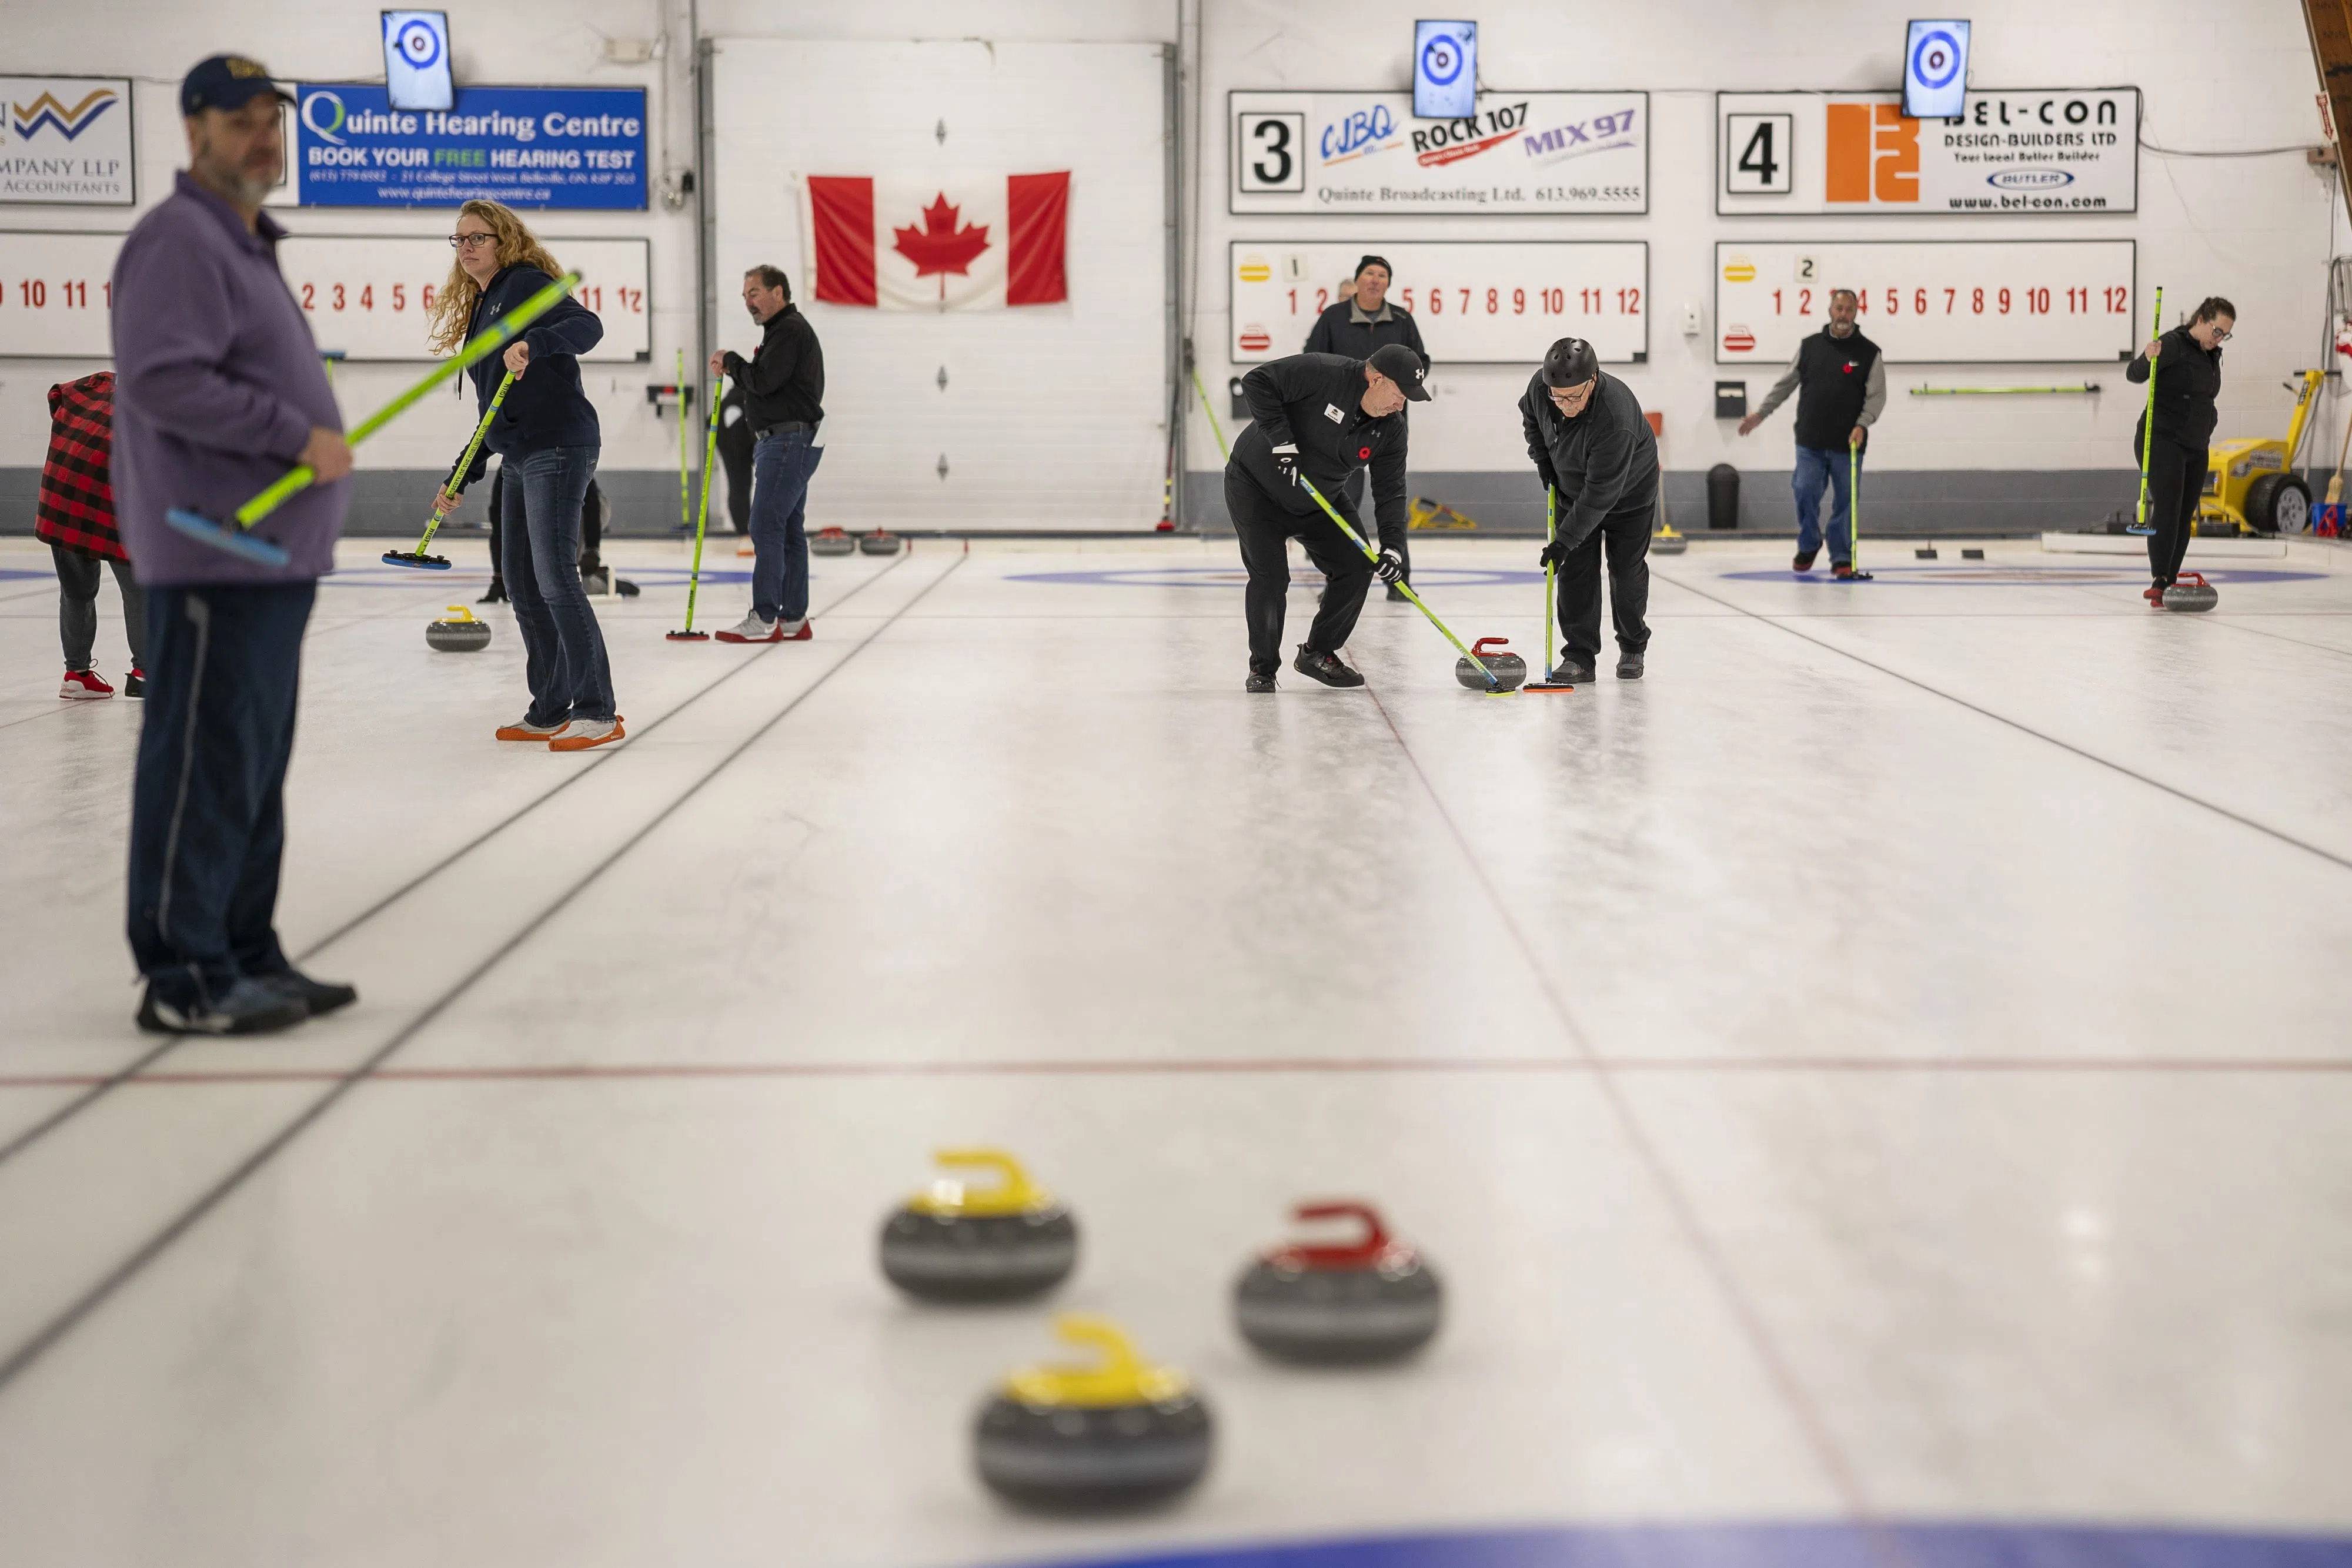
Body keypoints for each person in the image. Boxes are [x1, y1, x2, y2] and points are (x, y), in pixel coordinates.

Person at [112, 55, 356, 1035]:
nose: (264, 137)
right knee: (206, 763)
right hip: (214, 546)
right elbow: (163, 380)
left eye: (272, 120)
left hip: (270, 558)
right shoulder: (179, 240)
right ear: (193, 132)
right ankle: (184, 973)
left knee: (252, 766)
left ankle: (246, 948)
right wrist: (295, 435)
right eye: (241, 121)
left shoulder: (245, 241)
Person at [429, 199, 617, 750]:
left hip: (558, 446)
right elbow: (494, 412)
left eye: (477, 238)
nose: (466, 248)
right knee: (520, 581)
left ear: (504, 240)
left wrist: (535, 343)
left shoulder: (525, 282)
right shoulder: (484, 306)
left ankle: (596, 708)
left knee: (555, 576)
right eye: (459, 240)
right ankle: (551, 705)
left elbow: (587, 325)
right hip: (519, 453)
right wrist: (461, 475)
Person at [1226, 342, 1427, 691]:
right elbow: (1256, 381)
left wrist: (1394, 547)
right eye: (1399, 394)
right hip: (1256, 490)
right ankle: (1263, 669)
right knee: (1271, 579)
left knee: (1358, 564)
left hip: (1322, 498)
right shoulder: (1323, 372)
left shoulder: (1391, 429)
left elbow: (1391, 490)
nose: (1401, 404)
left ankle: (1318, 652)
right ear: (1376, 379)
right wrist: (1282, 441)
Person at [1520, 336, 1659, 683]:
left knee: (1625, 572)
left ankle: (1632, 646)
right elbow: (1532, 421)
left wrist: (1562, 542)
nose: (1565, 405)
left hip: (1629, 496)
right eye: (1558, 397)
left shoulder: (1616, 416)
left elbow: (1601, 494)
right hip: (1573, 491)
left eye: (1574, 397)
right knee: (1575, 574)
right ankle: (1580, 656)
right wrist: (1544, 464)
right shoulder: (1542, 388)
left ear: (1593, 380)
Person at [1735, 287, 1886, 577]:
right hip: (1811, 442)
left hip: (1848, 444)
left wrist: (1863, 424)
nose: (1844, 315)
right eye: (1839, 309)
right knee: (1804, 491)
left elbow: (1877, 396)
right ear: (1831, 310)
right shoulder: (1810, 347)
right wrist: (1760, 414)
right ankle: (1810, 542)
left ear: (1857, 312)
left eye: (1849, 310)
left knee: (1846, 503)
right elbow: (1785, 385)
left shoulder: (1869, 353)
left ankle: (1841, 556)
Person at [710, 265, 825, 643]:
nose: (749, 303)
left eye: (755, 293)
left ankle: (764, 617)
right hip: (788, 440)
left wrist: (731, 362)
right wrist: (735, 366)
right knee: (788, 528)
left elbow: (762, 382)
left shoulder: (789, 331)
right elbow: (767, 382)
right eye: (745, 296)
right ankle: (792, 618)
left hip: (786, 442)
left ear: (779, 292)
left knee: (764, 526)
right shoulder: (783, 332)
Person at [1304, 255, 1428, 599]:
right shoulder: (1333, 318)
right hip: (1341, 427)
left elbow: (1421, 364)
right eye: (1370, 274)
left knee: (1392, 497)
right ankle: (1337, 582)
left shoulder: (1402, 319)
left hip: (1388, 425)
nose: (1375, 280)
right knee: (1341, 500)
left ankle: (1399, 581)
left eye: (1383, 275)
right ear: (1358, 280)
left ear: (1388, 283)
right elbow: (1313, 360)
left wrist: (1397, 391)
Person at [39, 370, 146, 699]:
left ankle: (76, 674)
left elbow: (55, 395)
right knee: (140, 588)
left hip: (63, 495)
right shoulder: (158, 404)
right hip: (107, 501)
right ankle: (145, 673)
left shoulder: (96, 383)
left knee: (75, 591)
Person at [2126, 296, 2233, 604]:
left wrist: (2210, 424)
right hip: (2162, 440)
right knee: (2169, 508)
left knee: (2185, 513)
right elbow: (2134, 375)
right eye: (2216, 331)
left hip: (2196, 446)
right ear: (2201, 320)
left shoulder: (2212, 356)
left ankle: (2170, 581)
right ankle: (2159, 579)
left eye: (2225, 334)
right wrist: (2147, 358)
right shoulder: (2172, 344)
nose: (2219, 339)